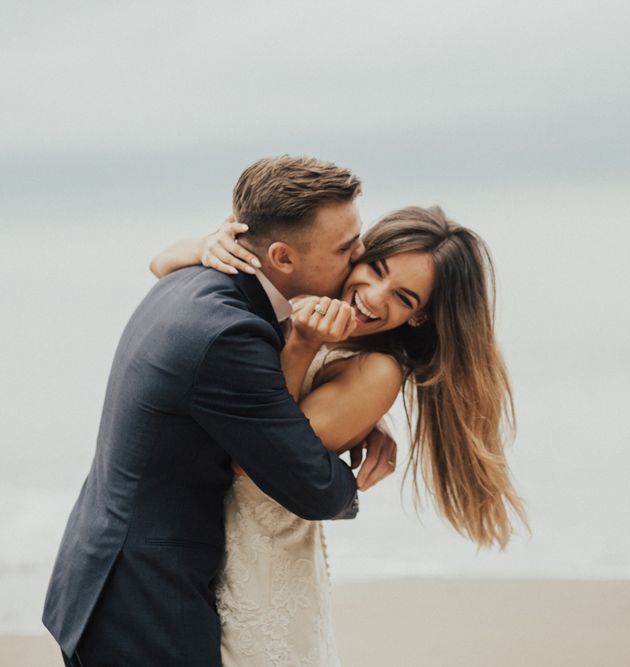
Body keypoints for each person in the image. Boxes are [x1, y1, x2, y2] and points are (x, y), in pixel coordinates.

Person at [42, 155, 397, 667]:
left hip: (99, 573)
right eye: (347, 247)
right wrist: (353, 484)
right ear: (283, 257)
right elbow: (313, 488)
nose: (360, 256)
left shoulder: (192, 280)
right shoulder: (231, 335)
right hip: (143, 603)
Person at [153, 202, 529, 666]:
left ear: (420, 318)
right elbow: (162, 264)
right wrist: (209, 244)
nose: (373, 296)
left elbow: (257, 459)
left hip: (263, 573)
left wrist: (302, 347)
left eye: (404, 298)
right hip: (205, 557)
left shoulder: (376, 370)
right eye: (375, 268)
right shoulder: (318, 302)